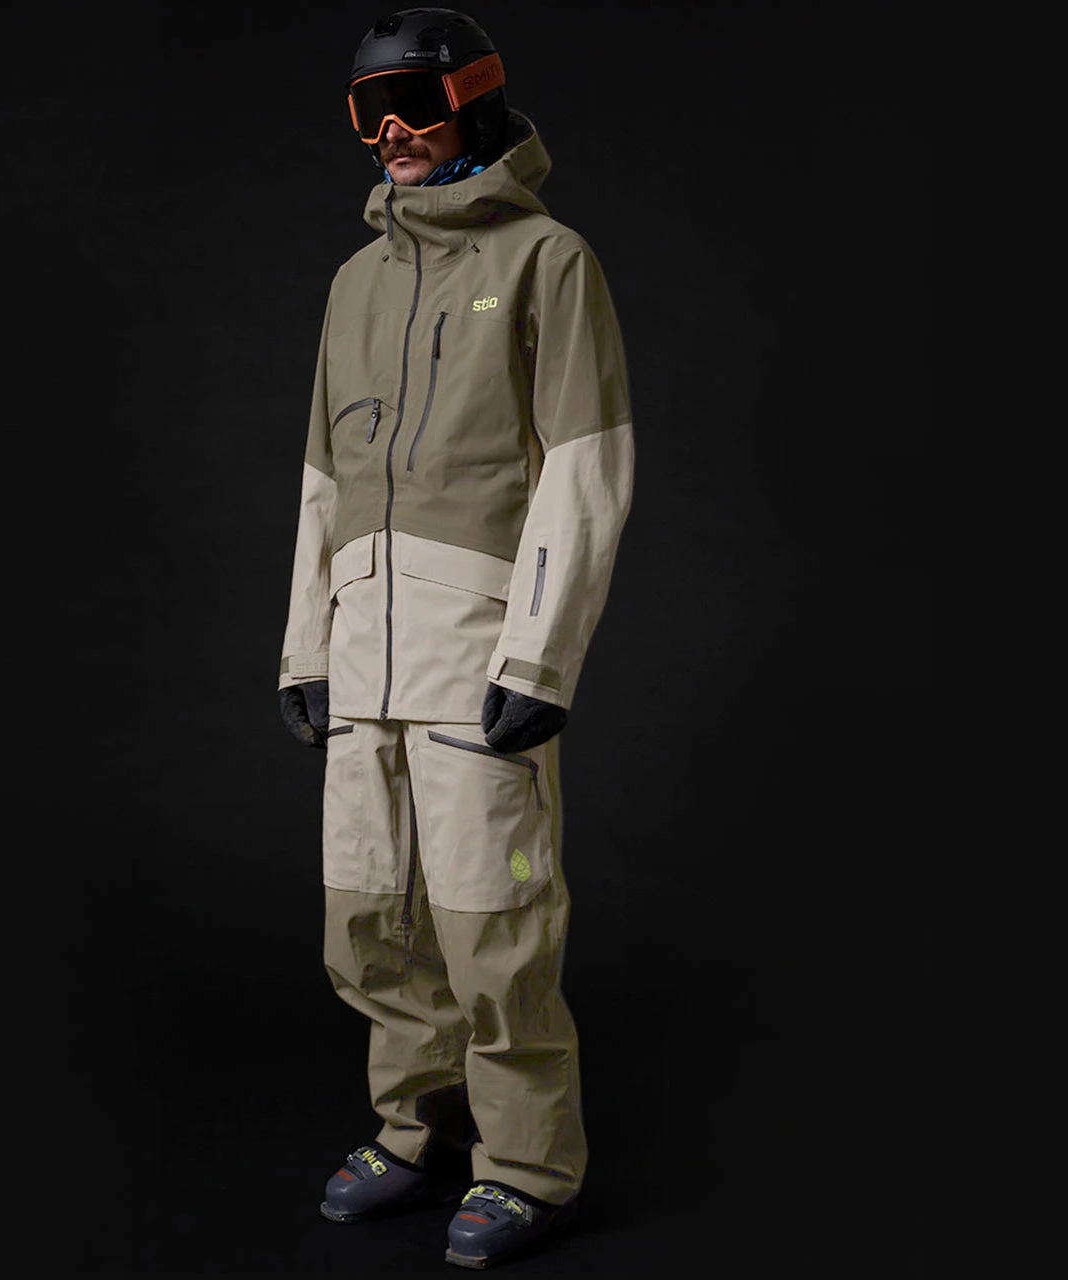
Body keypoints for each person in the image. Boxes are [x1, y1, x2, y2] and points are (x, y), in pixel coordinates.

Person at [277, 8, 634, 1269]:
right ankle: (414, 1129)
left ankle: (528, 1164)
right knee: (368, 920)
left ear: (474, 102)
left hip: (476, 660)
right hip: (362, 659)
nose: (390, 133)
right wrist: (306, 647)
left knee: (493, 927)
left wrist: (539, 659)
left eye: (414, 105)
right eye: (366, 110)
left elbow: (586, 468)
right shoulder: (354, 282)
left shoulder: (548, 260)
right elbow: (322, 480)